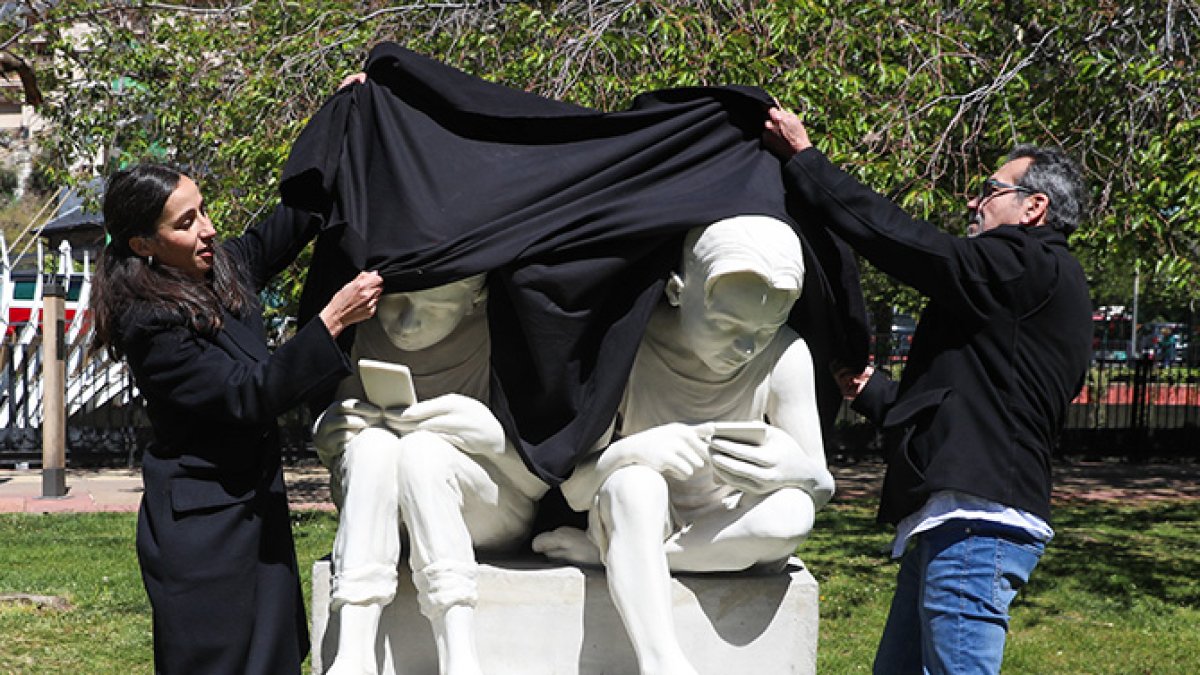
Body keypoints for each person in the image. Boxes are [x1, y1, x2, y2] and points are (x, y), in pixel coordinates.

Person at [762, 108, 1092, 674]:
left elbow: (905, 243)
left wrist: (808, 163)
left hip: (976, 528)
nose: (973, 203)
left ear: (1034, 207)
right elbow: (966, 412)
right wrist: (868, 390)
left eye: (990, 190)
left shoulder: (1029, 263)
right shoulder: (1017, 298)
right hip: (955, 525)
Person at [90, 163, 383, 674]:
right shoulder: (149, 323)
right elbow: (248, 393)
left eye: (203, 210)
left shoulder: (220, 268)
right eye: (185, 223)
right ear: (144, 245)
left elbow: (293, 221)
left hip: (254, 514)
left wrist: (348, 112)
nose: (206, 228)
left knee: (273, 658)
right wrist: (331, 320)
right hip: (205, 536)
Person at [533, 215, 834, 675]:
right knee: (633, 484)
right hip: (642, 515)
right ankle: (662, 662)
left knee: (794, 512)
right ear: (678, 291)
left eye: (767, 327)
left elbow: (820, 483)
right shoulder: (630, 345)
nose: (747, 347)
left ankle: (620, 558)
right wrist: (638, 448)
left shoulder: (785, 354)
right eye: (727, 324)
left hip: (727, 527)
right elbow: (574, 491)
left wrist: (796, 468)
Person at [312, 274, 550, 675]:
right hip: (388, 507)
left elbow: (543, 483)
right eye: (395, 300)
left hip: (486, 505)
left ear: (476, 297)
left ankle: (458, 651)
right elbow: (348, 464)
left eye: (435, 308)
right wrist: (328, 437)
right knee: (372, 446)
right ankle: (354, 652)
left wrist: (494, 440)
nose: (406, 324)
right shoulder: (367, 331)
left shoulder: (504, 332)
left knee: (424, 453)